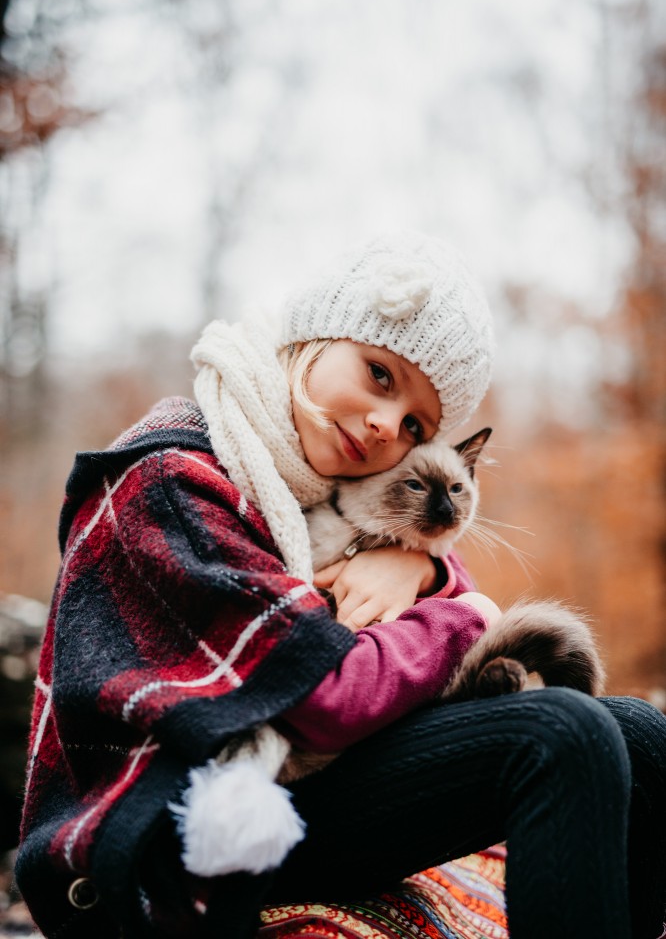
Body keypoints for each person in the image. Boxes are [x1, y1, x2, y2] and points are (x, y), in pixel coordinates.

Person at [16, 231, 666, 939]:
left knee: (641, 734)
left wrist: (421, 563)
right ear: (315, 337)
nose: (386, 422)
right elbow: (325, 697)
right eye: (379, 374)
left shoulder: (315, 487)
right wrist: (468, 608)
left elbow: (402, 627)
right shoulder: (172, 477)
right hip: (165, 835)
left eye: (416, 423)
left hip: (302, 789)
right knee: (560, 733)